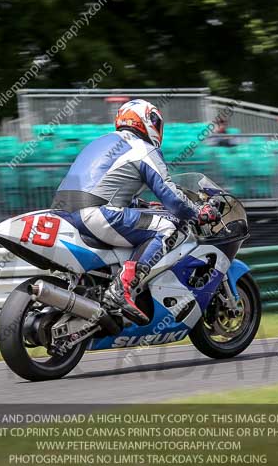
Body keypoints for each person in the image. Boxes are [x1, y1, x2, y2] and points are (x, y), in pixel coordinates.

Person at [51, 99, 221, 325]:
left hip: (63, 212)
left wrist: (138, 204)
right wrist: (199, 212)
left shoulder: (101, 142)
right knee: (169, 226)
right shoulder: (143, 148)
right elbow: (172, 199)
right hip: (95, 213)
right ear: (149, 121)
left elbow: (104, 185)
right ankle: (123, 288)